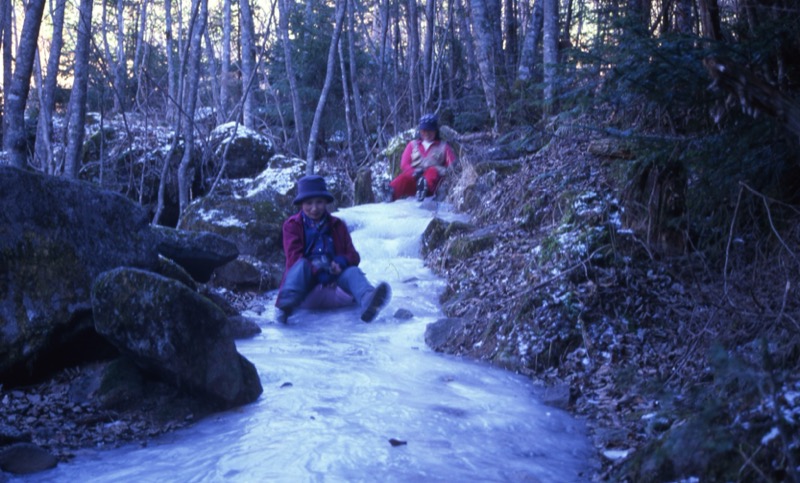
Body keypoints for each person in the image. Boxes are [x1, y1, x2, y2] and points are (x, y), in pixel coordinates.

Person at [275, 175, 391, 324]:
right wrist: (319, 272)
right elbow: (293, 260)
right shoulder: (291, 226)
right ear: (301, 204)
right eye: (309, 203)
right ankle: (286, 307)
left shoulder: (338, 224)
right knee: (301, 267)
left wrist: (341, 262)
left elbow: (354, 256)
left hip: (335, 281)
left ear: (326, 202)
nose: (314, 208)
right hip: (305, 285)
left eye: (319, 202)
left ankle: (368, 299)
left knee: (353, 272)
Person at [389, 113, 457, 201]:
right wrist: (414, 172)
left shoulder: (444, 147)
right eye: (424, 131)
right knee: (403, 178)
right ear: (420, 131)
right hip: (414, 179)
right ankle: (390, 192)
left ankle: (424, 189)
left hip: (433, 184)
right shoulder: (412, 145)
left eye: (430, 131)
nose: (427, 134)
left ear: (435, 131)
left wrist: (440, 170)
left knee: (432, 172)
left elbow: (452, 166)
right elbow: (404, 164)